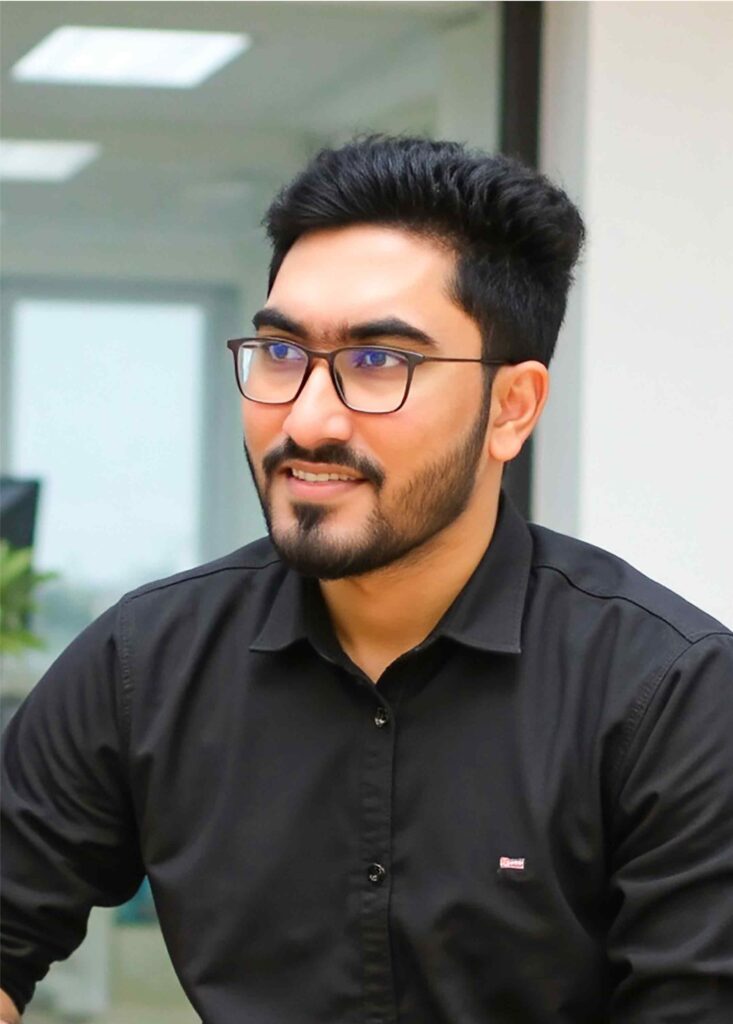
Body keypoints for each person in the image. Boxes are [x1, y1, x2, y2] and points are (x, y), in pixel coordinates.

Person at [1, 136, 732, 1024]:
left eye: (379, 362)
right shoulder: (145, 661)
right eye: (280, 353)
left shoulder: (671, 694)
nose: (308, 419)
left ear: (511, 408)